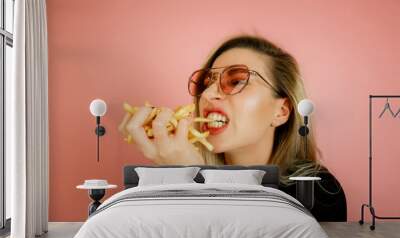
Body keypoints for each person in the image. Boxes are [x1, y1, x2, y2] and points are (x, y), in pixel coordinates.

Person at [119, 34, 347, 221]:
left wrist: (196, 177)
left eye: (237, 81)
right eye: (206, 83)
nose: (207, 94)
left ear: (281, 111)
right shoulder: (169, 179)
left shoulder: (319, 193)